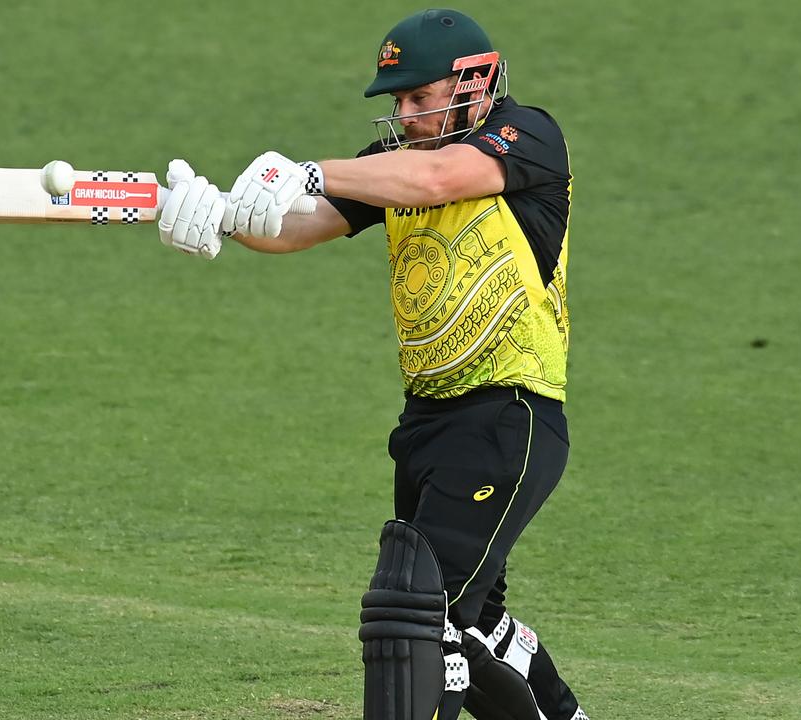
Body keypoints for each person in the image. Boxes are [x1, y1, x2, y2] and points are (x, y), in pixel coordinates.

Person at [156, 8, 587, 720]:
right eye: (399, 101)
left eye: (421, 97)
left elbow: (443, 177)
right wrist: (220, 218)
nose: (407, 114)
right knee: (470, 625)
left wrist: (308, 170)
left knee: (413, 612)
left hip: (509, 414)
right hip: (427, 425)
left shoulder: (527, 135)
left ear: (477, 81)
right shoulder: (394, 166)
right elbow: (302, 227)